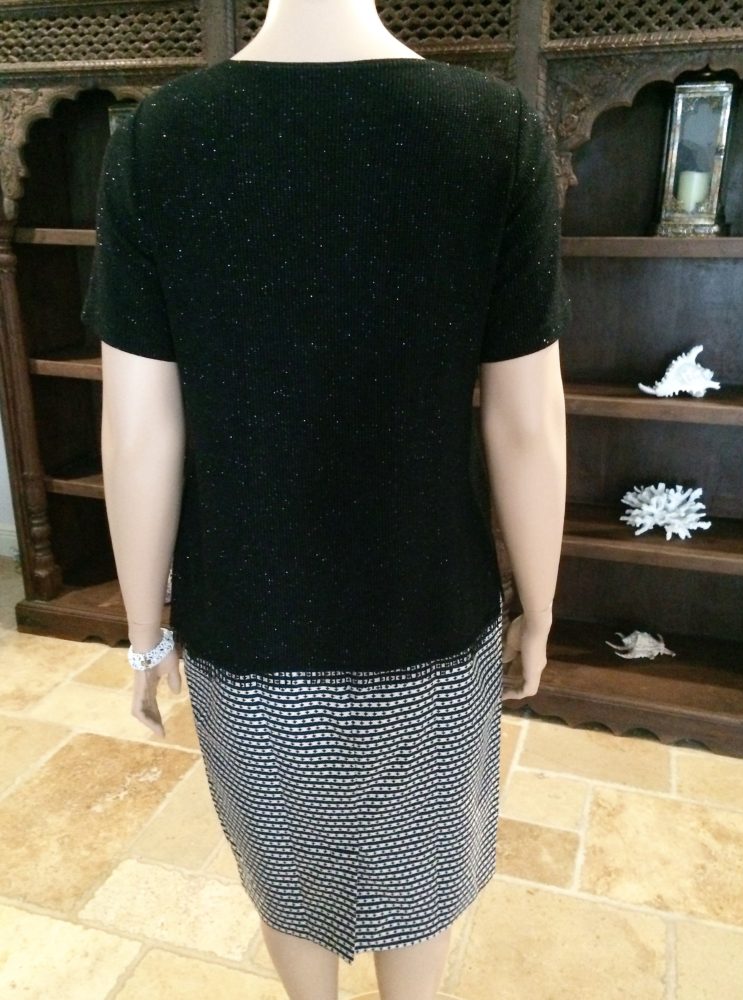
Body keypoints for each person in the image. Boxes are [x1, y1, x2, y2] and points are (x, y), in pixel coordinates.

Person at [81, 0, 570, 997]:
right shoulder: (491, 130)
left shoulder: (161, 138)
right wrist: (543, 604)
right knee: (422, 865)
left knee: (286, 863)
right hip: (431, 602)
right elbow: (526, 422)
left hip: (246, 613)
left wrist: (143, 634)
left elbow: (138, 430)